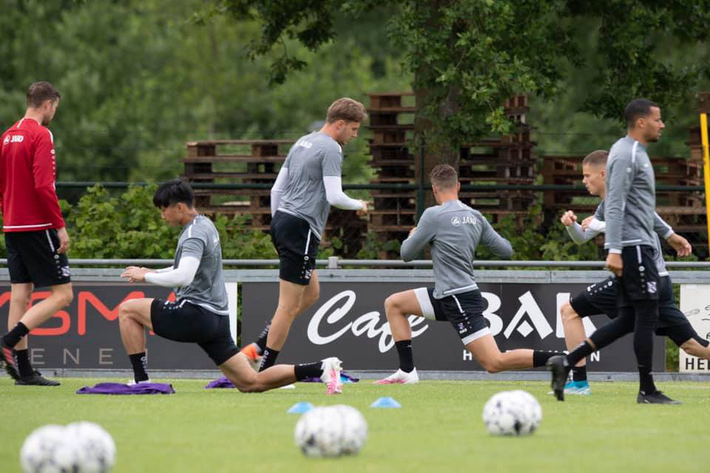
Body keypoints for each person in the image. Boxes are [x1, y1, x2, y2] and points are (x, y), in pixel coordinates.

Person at [117, 180, 343, 394]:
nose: (162, 215)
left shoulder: (193, 234)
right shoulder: (205, 224)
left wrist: (146, 277)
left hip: (195, 314)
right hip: (216, 320)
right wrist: (153, 272)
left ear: (179, 207)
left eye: (164, 209)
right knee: (250, 382)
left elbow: (184, 276)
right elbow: (187, 267)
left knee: (128, 310)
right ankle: (320, 368)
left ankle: (141, 381)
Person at [376, 164, 560, 384]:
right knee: (394, 304)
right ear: (458, 186)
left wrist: (413, 234)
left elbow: (406, 254)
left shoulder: (433, 215)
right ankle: (407, 372)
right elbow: (506, 251)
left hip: (458, 298)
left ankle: (560, 359)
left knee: (494, 362)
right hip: (446, 294)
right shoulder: (475, 216)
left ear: (434, 189)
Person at [549, 99, 681, 404]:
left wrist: (669, 234)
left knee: (627, 320)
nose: (662, 125)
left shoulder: (633, 153)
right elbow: (617, 204)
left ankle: (567, 362)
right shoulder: (627, 154)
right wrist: (616, 250)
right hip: (635, 249)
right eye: (658, 119)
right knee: (645, 317)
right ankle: (647, 390)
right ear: (641, 122)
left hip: (635, 248)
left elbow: (641, 208)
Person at [558, 150, 709, 396]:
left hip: (643, 278)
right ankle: (642, 389)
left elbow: (638, 228)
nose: (583, 181)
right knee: (694, 347)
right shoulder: (607, 204)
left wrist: (599, 225)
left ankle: (579, 382)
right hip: (655, 282)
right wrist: (572, 226)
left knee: (571, 310)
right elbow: (582, 238)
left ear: (603, 174)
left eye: (587, 175)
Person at [240, 98, 369, 371]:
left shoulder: (303, 141)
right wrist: (359, 204)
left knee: (311, 293)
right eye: (354, 129)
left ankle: (257, 347)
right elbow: (335, 196)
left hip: (282, 221)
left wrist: (278, 225)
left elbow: (276, 189)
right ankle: (264, 371)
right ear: (340, 124)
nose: (355, 135)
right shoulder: (332, 148)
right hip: (301, 228)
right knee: (287, 307)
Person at [0, 82, 73, 386]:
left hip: (12, 225)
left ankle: (23, 371)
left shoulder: (7, 136)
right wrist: (59, 226)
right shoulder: (41, 134)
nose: (54, 112)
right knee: (63, 295)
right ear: (48, 104)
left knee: (20, 295)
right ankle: (8, 341)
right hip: (37, 226)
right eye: (55, 107)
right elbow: (44, 186)